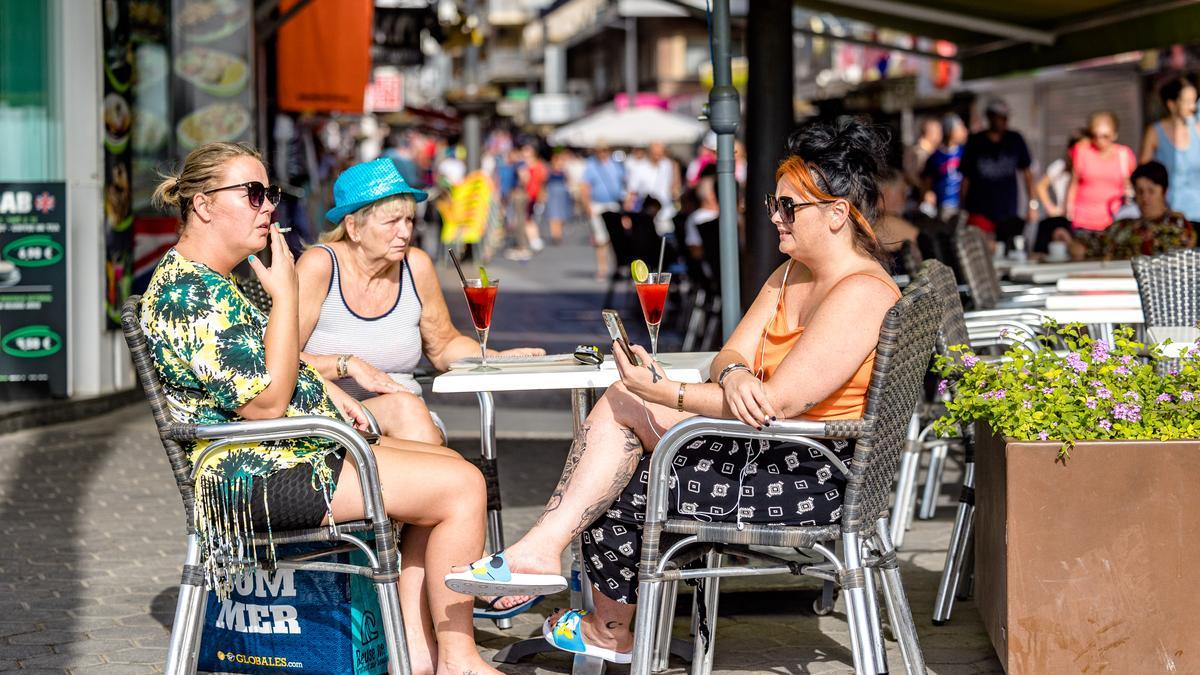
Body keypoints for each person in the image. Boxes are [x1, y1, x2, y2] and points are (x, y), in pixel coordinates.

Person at [443, 119, 903, 663]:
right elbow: (728, 356)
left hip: (809, 476)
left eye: (788, 207)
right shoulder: (791, 275)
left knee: (628, 468)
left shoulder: (861, 295)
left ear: (836, 213)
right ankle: (561, 574)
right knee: (622, 407)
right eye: (772, 204)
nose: (774, 217)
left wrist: (665, 392)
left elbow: (776, 403)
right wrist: (731, 376)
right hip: (771, 449)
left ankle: (601, 618)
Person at [142, 142, 501, 675]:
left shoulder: (218, 282)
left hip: (291, 451)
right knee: (461, 487)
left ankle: (418, 652)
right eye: (254, 194)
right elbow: (265, 405)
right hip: (256, 473)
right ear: (203, 204)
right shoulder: (186, 292)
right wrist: (286, 296)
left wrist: (324, 381)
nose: (269, 207)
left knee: (450, 469)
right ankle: (456, 659)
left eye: (272, 194)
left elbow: (275, 368)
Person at [296, 157, 545, 447]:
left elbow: (443, 345)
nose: (405, 232)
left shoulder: (415, 265)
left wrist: (495, 356)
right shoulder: (320, 266)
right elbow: (278, 359)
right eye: (391, 222)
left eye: (409, 220)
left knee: (412, 415)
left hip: (410, 421)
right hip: (336, 423)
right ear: (354, 227)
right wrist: (346, 365)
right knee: (425, 437)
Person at [1054, 160, 1196, 260]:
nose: (1145, 198)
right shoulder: (1124, 226)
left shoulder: (1177, 224)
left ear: (1164, 191)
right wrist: (1067, 240)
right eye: (1140, 191)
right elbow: (1085, 247)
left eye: (1151, 191)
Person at [960, 98, 1037, 241]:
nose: (1003, 121)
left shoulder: (1015, 139)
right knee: (982, 250)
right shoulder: (975, 141)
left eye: (1005, 117)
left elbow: (1027, 173)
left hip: (1008, 211)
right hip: (979, 210)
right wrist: (963, 209)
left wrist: (1032, 204)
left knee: (1008, 248)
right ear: (989, 117)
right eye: (999, 117)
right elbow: (965, 178)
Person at [1140, 75, 1200, 221]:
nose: (1193, 107)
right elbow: (1143, 175)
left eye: (1194, 101)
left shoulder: (1198, 130)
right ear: (1172, 104)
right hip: (1168, 214)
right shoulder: (1155, 133)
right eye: (1187, 102)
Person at [1066, 111, 1136, 232]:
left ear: (1114, 134)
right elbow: (1073, 183)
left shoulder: (1124, 155)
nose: (1099, 140)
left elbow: (1134, 184)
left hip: (1115, 221)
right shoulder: (1082, 151)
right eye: (1095, 136)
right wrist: (1068, 212)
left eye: (1105, 136)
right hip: (1083, 221)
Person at [579, 146, 626, 281]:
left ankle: (617, 267)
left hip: (614, 204)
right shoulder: (591, 165)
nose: (602, 153)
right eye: (600, 150)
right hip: (597, 205)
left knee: (615, 238)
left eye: (605, 150)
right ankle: (602, 269)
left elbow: (624, 182)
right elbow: (584, 186)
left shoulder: (616, 165)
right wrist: (587, 205)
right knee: (600, 239)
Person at [922, 114, 967, 220]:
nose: (964, 131)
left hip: (962, 206)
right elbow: (927, 181)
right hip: (942, 207)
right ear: (951, 131)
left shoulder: (964, 153)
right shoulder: (935, 157)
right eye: (960, 128)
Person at [904, 115, 943, 207]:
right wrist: (924, 189)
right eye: (938, 132)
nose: (941, 135)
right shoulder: (917, 153)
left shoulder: (935, 152)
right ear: (929, 132)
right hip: (918, 200)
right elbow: (910, 175)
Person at [543, 149, 574, 245]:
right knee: (553, 215)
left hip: (562, 194)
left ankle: (558, 233)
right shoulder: (549, 171)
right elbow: (544, 183)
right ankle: (555, 235)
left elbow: (569, 181)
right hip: (552, 193)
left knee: (561, 215)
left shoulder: (564, 171)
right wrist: (544, 194)